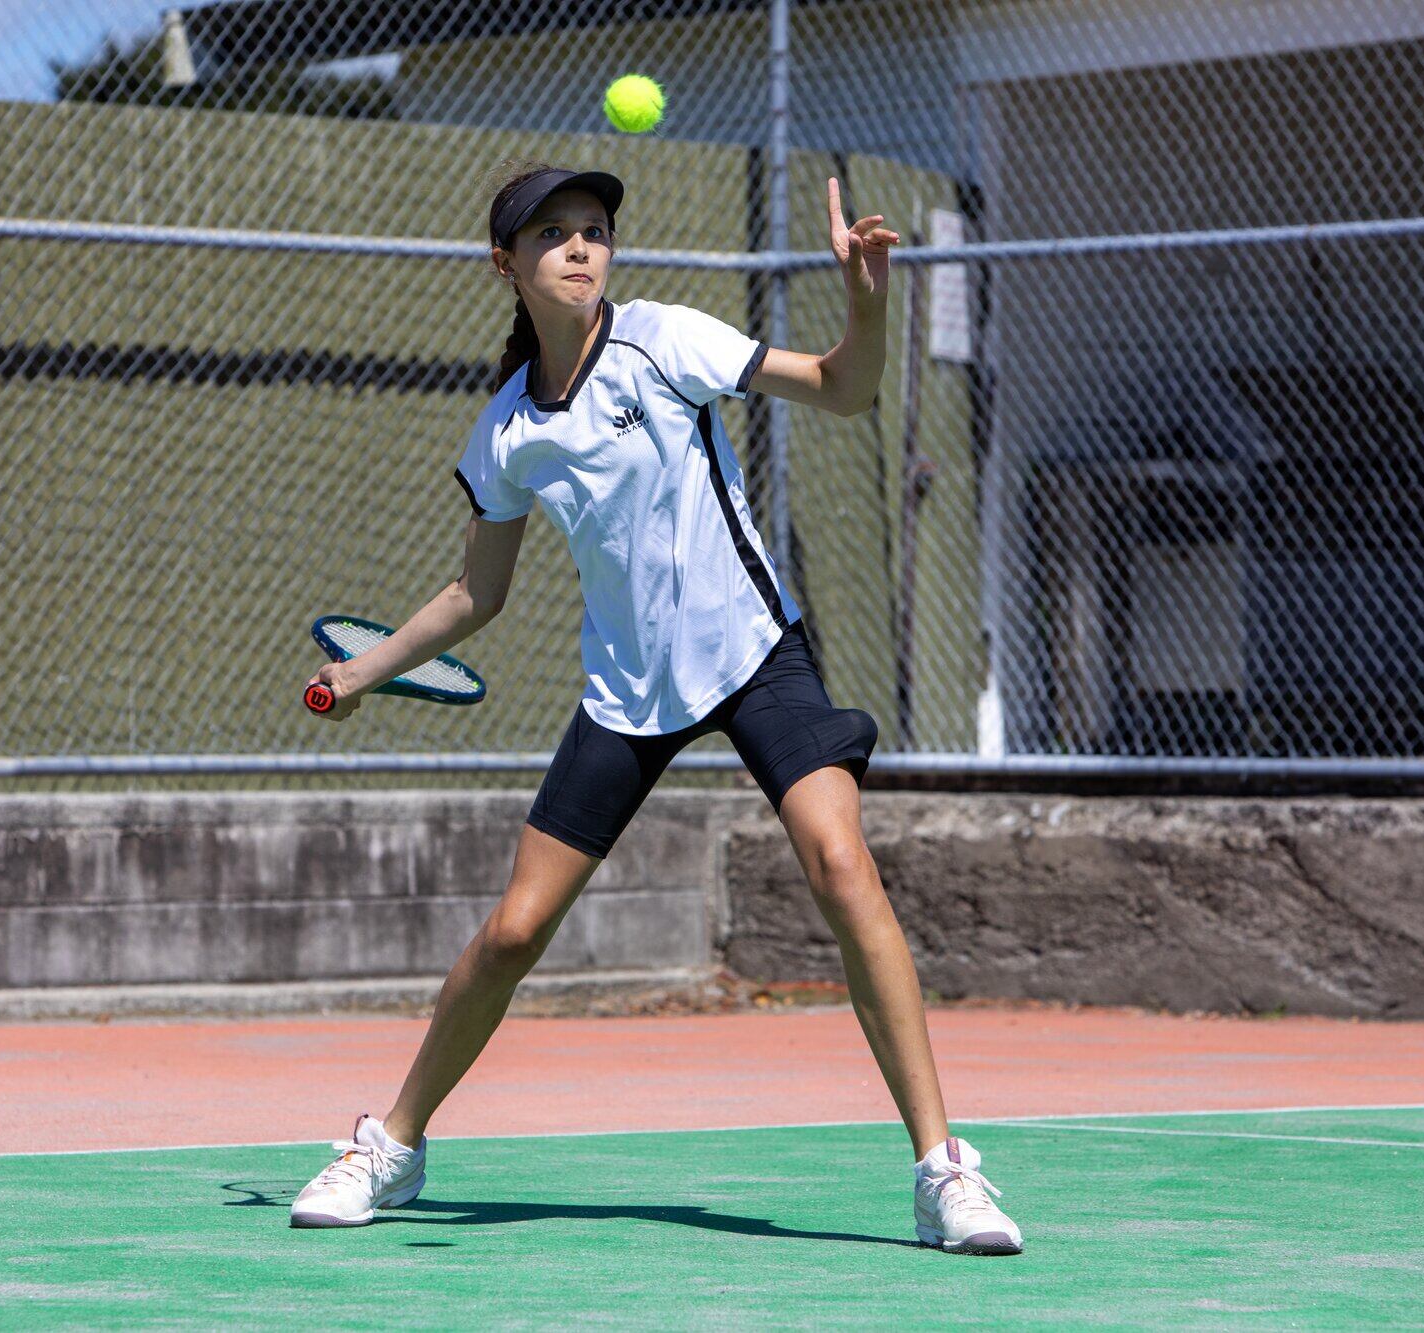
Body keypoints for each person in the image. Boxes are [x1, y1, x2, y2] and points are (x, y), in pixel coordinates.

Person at [294, 160, 1022, 1255]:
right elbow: (473, 594)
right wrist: (362, 671)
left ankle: (942, 1172)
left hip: (753, 654)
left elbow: (841, 388)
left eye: (593, 229)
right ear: (506, 264)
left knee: (838, 862)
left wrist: (865, 297)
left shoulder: (663, 339)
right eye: (553, 234)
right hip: (627, 692)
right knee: (514, 930)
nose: (582, 247)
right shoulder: (503, 432)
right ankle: (387, 1146)